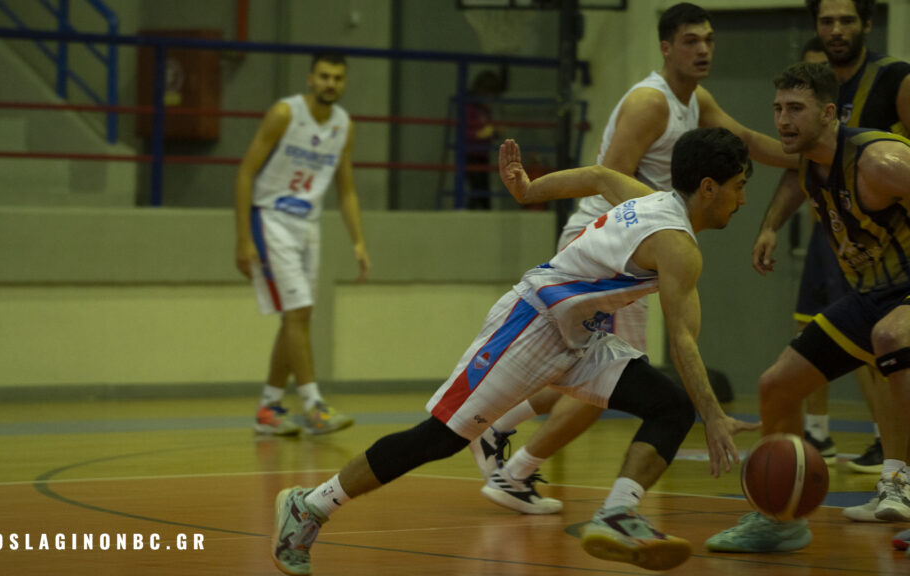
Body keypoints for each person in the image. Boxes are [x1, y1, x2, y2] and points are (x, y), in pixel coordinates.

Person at [271, 127, 760, 575]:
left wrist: (530, 191)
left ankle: (616, 514)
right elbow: (682, 340)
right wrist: (715, 416)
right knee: (440, 438)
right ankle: (310, 505)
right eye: (739, 186)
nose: (743, 199)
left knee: (671, 406)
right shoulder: (678, 246)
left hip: (580, 337)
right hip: (533, 323)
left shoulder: (654, 203)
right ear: (709, 187)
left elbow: (599, 176)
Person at [468, 2, 796, 515]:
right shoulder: (650, 103)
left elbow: (748, 141)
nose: (703, 49)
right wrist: (652, 239)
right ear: (665, 48)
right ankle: (514, 471)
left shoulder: (696, 99)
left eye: (709, 39)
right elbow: (609, 177)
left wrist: (814, 155)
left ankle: (497, 431)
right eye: (690, 40)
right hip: (613, 246)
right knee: (618, 378)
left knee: (583, 368)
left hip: (635, 248)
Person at [704, 61, 910, 553]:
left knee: (891, 337)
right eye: (778, 108)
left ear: (830, 113)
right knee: (776, 386)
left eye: (795, 108)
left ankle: (900, 480)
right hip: (871, 296)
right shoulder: (806, 159)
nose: (783, 120)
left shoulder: (880, 162)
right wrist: (769, 226)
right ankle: (781, 519)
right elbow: (754, 146)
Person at [798, 0, 910, 485]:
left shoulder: (895, 78)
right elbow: (789, 159)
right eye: (827, 20)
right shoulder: (821, 89)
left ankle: (894, 459)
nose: (836, 29)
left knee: (887, 340)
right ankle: (828, 438)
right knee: (846, 343)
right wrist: (769, 224)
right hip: (844, 234)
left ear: (867, 23)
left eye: (847, 19)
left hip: (896, 246)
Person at [234, 52, 370, 436]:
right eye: (324, 76)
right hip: (271, 218)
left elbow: (346, 190)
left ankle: (269, 408)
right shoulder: (284, 114)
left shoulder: (343, 125)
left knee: (297, 316)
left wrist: (358, 241)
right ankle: (314, 405)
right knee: (298, 311)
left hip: (308, 225)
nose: (331, 83)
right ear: (310, 78)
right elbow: (245, 174)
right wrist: (243, 238)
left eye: (338, 78)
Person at [464, 70, 503, 210]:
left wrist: (495, 132)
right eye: (488, 96)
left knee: (483, 190)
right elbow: (466, 132)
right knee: (477, 189)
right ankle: (474, 211)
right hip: (471, 155)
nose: (491, 100)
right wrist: (482, 133)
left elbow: (488, 129)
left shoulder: (485, 111)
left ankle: (482, 211)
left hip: (483, 155)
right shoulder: (469, 108)